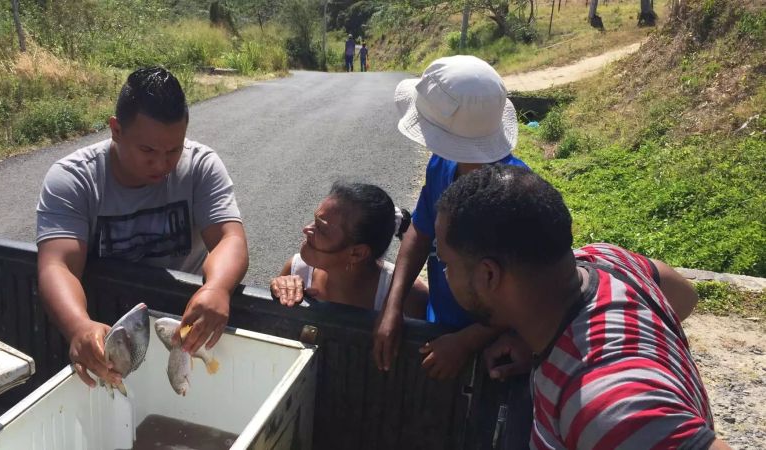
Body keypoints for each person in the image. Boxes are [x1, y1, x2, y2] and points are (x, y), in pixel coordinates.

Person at [435, 164, 726, 450]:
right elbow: (685, 295)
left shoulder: (608, 407)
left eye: (446, 264)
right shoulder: (606, 261)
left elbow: (621, 416)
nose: (444, 273)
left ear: (488, 275)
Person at [35, 67, 249, 389]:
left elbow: (229, 239)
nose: (162, 165)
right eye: (148, 151)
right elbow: (58, 265)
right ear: (116, 130)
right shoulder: (73, 180)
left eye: (174, 150)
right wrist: (78, 326)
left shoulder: (201, 165)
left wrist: (217, 287)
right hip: (106, 328)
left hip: (182, 328)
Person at [373, 55, 528, 379]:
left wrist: (467, 342)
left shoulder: (518, 199)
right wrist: (393, 305)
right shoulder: (442, 165)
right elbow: (419, 232)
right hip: (440, 323)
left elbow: (528, 293)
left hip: (495, 348)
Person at [270, 182, 427, 317]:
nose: (306, 229)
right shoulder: (297, 270)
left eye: (321, 229)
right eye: (314, 220)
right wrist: (282, 293)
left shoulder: (409, 296)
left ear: (357, 253)